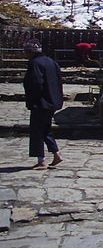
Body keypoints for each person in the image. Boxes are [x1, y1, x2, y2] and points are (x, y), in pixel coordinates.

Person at [23, 39, 63, 170]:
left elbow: (36, 83)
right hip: (52, 102)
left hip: (40, 103)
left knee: (37, 131)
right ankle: (56, 154)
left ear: (30, 52)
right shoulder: (51, 62)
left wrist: (32, 101)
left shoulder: (34, 63)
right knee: (46, 129)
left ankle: (41, 160)